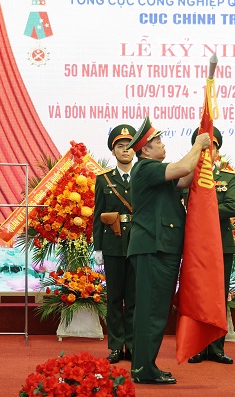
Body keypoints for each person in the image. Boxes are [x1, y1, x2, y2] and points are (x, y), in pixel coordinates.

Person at [126, 117, 210, 385]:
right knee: (151, 311)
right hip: (154, 247)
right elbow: (184, 167)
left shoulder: (155, 172)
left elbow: (185, 178)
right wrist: (198, 144)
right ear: (145, 149)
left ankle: (143, 366)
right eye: (158, 142)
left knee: (154, 310)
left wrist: (205, 158)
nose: (163, 145)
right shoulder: (146, 168)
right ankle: (144, 369)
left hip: (160, 247)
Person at [187, 127, 235, 365]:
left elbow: (232, 207)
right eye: (204, 149)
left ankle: (217, 348)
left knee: (219, 295)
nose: (208, 153)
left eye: (212, 148)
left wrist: (203, 207)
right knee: (197, 294)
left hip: (221, 245)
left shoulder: (228, 178)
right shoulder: (188, 176)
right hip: (196, 245)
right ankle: (198, 346)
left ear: (218, 152)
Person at [93, 124, 137, 364]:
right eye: (120, 146)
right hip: (113, 244)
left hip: (137, 244)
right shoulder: (104, 180)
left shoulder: (142, 176)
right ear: (113, 151)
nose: (125, 150)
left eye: (129, 146)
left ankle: (132, 345)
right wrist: (98, 247)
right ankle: (115, 346)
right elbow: (98, 215)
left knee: (134, 299)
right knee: (114, 298)